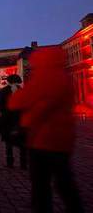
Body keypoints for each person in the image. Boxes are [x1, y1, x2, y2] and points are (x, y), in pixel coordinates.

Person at [8, 47, 84, 213]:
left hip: (40, 139)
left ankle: (42, 206)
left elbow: (16, 102)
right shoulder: (63, 78)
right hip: (63, 139)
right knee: (64, 180)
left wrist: (15, 93)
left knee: (41, 181)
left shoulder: (42, 78)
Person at [0, 74, 27, 169]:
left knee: (8, 142)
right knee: (22, 142)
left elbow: (0, 106)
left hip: (7, 120)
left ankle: (10, 162)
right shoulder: (23, 91)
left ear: (8, 81)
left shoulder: (3, 91)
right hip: (20, 119)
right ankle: (23, 163)